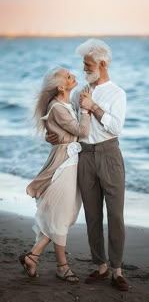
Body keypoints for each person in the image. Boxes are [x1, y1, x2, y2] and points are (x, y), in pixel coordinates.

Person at [47, 39, 129, 291]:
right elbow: (70, 124)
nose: (84, 69)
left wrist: (93, 107)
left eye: (88, 64)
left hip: (109, 154)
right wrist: (54, 135)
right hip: (84, 155)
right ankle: (101, 266)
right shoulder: (81, 90)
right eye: (83, 64)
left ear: (102, 64)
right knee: (92, 215)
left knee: (115, 215)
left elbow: (116, 127)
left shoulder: (117, 93)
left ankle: (117, 269)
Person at [19, 66, 90, 283]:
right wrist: (86, 110)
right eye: (69, 76)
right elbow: (83, 132)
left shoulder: (66, 104)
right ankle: (62, 266)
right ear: (61, 87)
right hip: (63, 164)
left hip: (70, 161)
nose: (74, 76)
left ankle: (33, 256)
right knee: (61, 215)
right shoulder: (58, 107)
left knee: (62, 214)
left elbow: (63, 132)